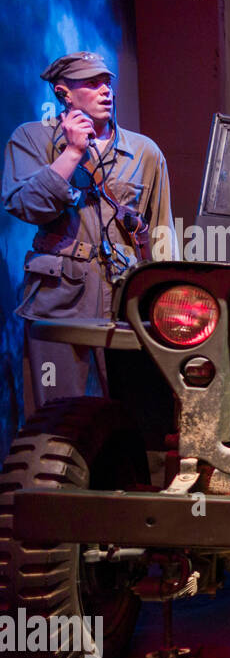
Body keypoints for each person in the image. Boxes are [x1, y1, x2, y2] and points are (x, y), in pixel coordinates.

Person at [3, 51, 173, 416]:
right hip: (58, 298)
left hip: (126, 298)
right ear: (65, 93)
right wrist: (73, 153)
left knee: (139, 414)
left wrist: (164, 300)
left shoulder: (143, 151)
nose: (105, 91)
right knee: (54, 413)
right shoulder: (33, 139)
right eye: (92, 83)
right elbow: (24, 205)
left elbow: (160, 232)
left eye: (107, 82)